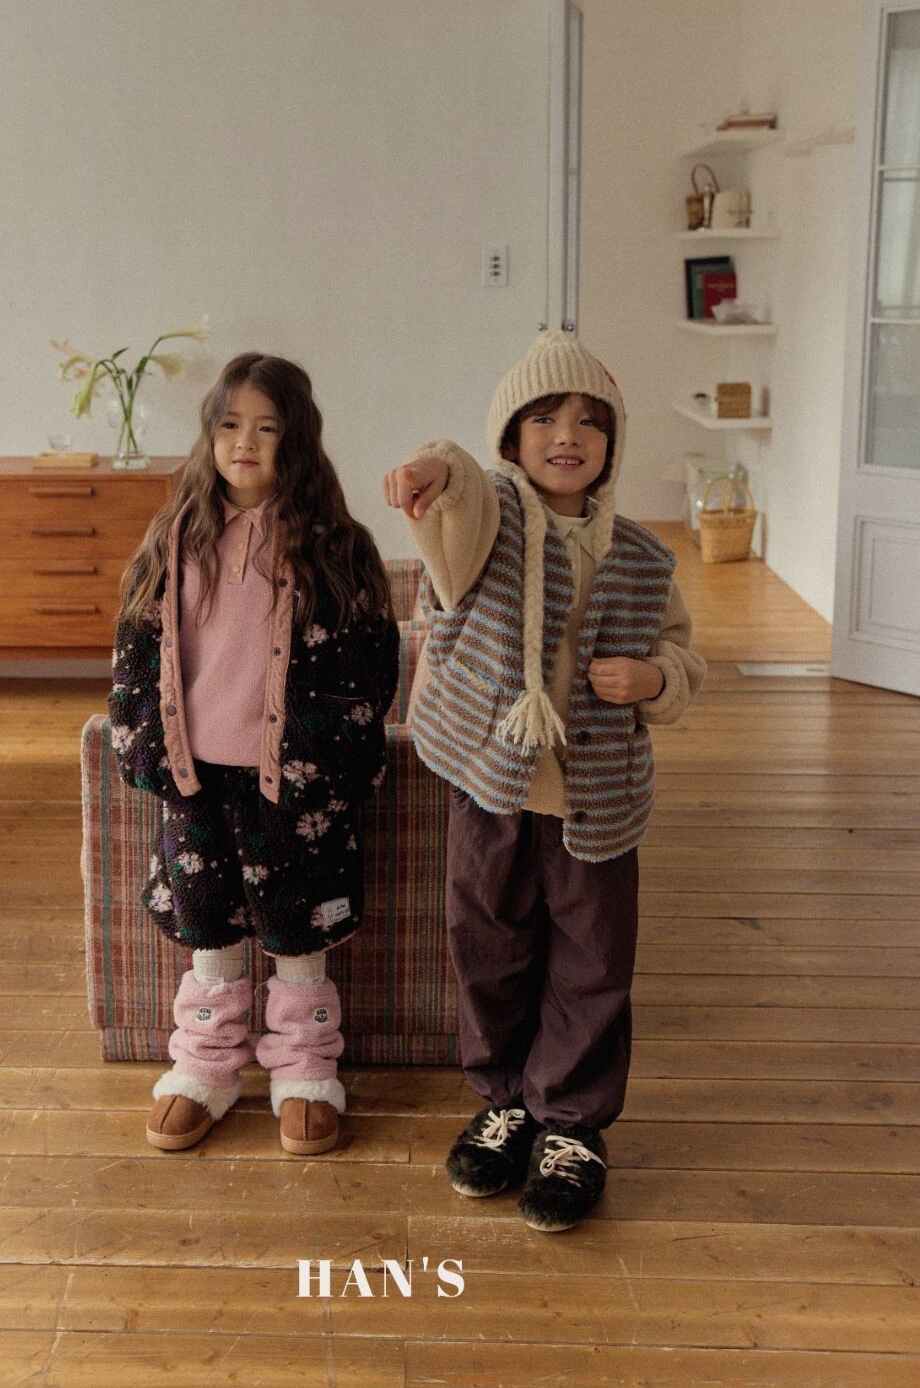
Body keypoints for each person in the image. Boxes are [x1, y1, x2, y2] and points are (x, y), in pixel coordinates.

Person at [383, 331, 705, 1230]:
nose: (567, 436)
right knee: (487, 944)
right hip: (492, 784)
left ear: (612, 444)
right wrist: (434, 470)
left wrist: (654, 679)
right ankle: (505, 1101)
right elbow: (454, 495)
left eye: (589, 422)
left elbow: (683, 655)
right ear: (511, 438)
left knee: (594, 960)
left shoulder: (641, 555)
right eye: (544, 419)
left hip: (597, 801)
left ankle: (570, 1121)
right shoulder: (488, 526)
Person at [111, 352, 398, 1157]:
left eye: (267, 429)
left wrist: (335, 758)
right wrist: (142, 741)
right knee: (208, 919)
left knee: (298, 924)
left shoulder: (338, 548)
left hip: (297, 786)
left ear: (296, 442)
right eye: (231, 425)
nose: (245, 443)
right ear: (209, 434)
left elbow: (372, 665)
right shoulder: (172, 539)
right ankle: (204, 1066)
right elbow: (134, 649)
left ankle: (306, 1070)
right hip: (194, 776)